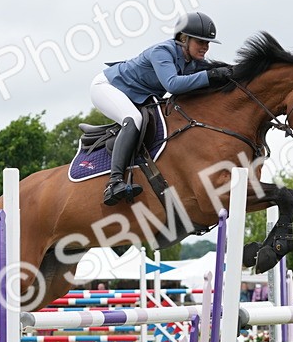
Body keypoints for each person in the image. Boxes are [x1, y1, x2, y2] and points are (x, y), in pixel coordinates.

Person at [90, 11, 233, 206]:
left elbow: (213, 74)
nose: (205, 48)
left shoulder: (192, 62)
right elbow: (172, 85)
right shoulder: (162, 52)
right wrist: (211, 76)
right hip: (108, 87)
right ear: (184, 38)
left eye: (207, 43)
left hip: (137, 96)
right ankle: (114, 182)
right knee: (134, 119)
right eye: (201, 42)